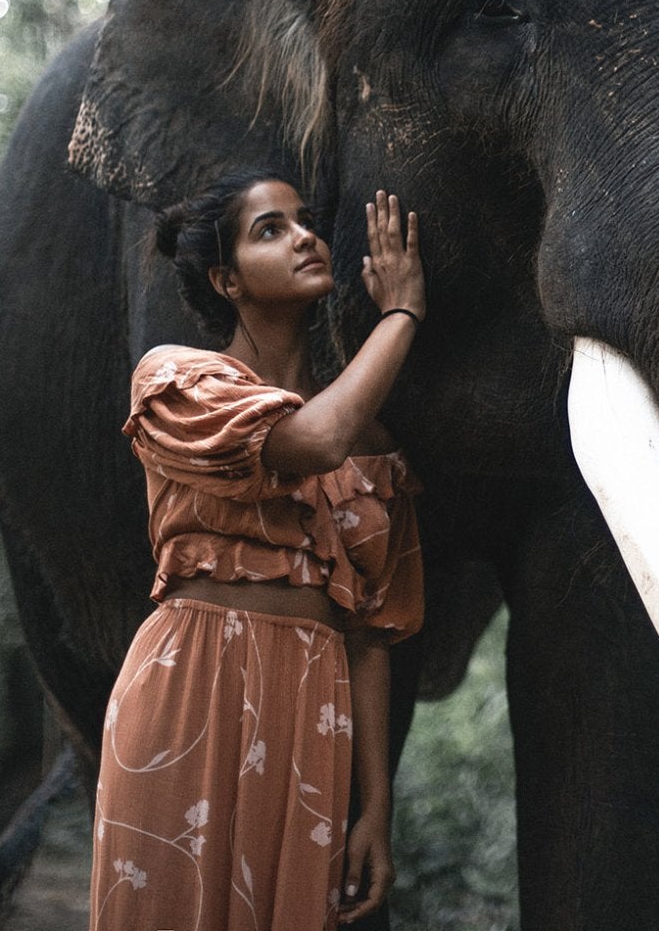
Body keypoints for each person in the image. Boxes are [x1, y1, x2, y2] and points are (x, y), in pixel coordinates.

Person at [89, 172, 427, 931]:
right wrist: (402, 313)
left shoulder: (376, 450)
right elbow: (312, 440)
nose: (305, 236)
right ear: (226, 279)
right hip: (188, 684)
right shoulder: (179, 379)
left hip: (313, 702)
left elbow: (371, 640)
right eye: (270, 229)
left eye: (306, 222)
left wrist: (377, 807)